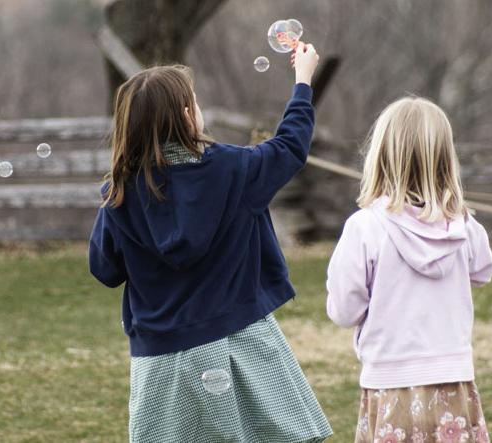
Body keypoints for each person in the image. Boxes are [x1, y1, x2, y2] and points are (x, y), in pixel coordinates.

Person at [88, 41, 333, 442]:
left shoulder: (119, 194)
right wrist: (302, 81)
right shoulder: (234, 169)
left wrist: (114, 207)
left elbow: (105, 270)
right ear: (188, 116)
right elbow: (290, 146)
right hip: (243, 344)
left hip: (160, 361)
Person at [325, 96, 492, 443]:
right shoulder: (463, 226)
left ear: (381, 156)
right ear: (446, 160)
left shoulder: (365, 227)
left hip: (389, 386)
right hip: (453, 383)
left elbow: (344, 311)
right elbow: (482, 272)